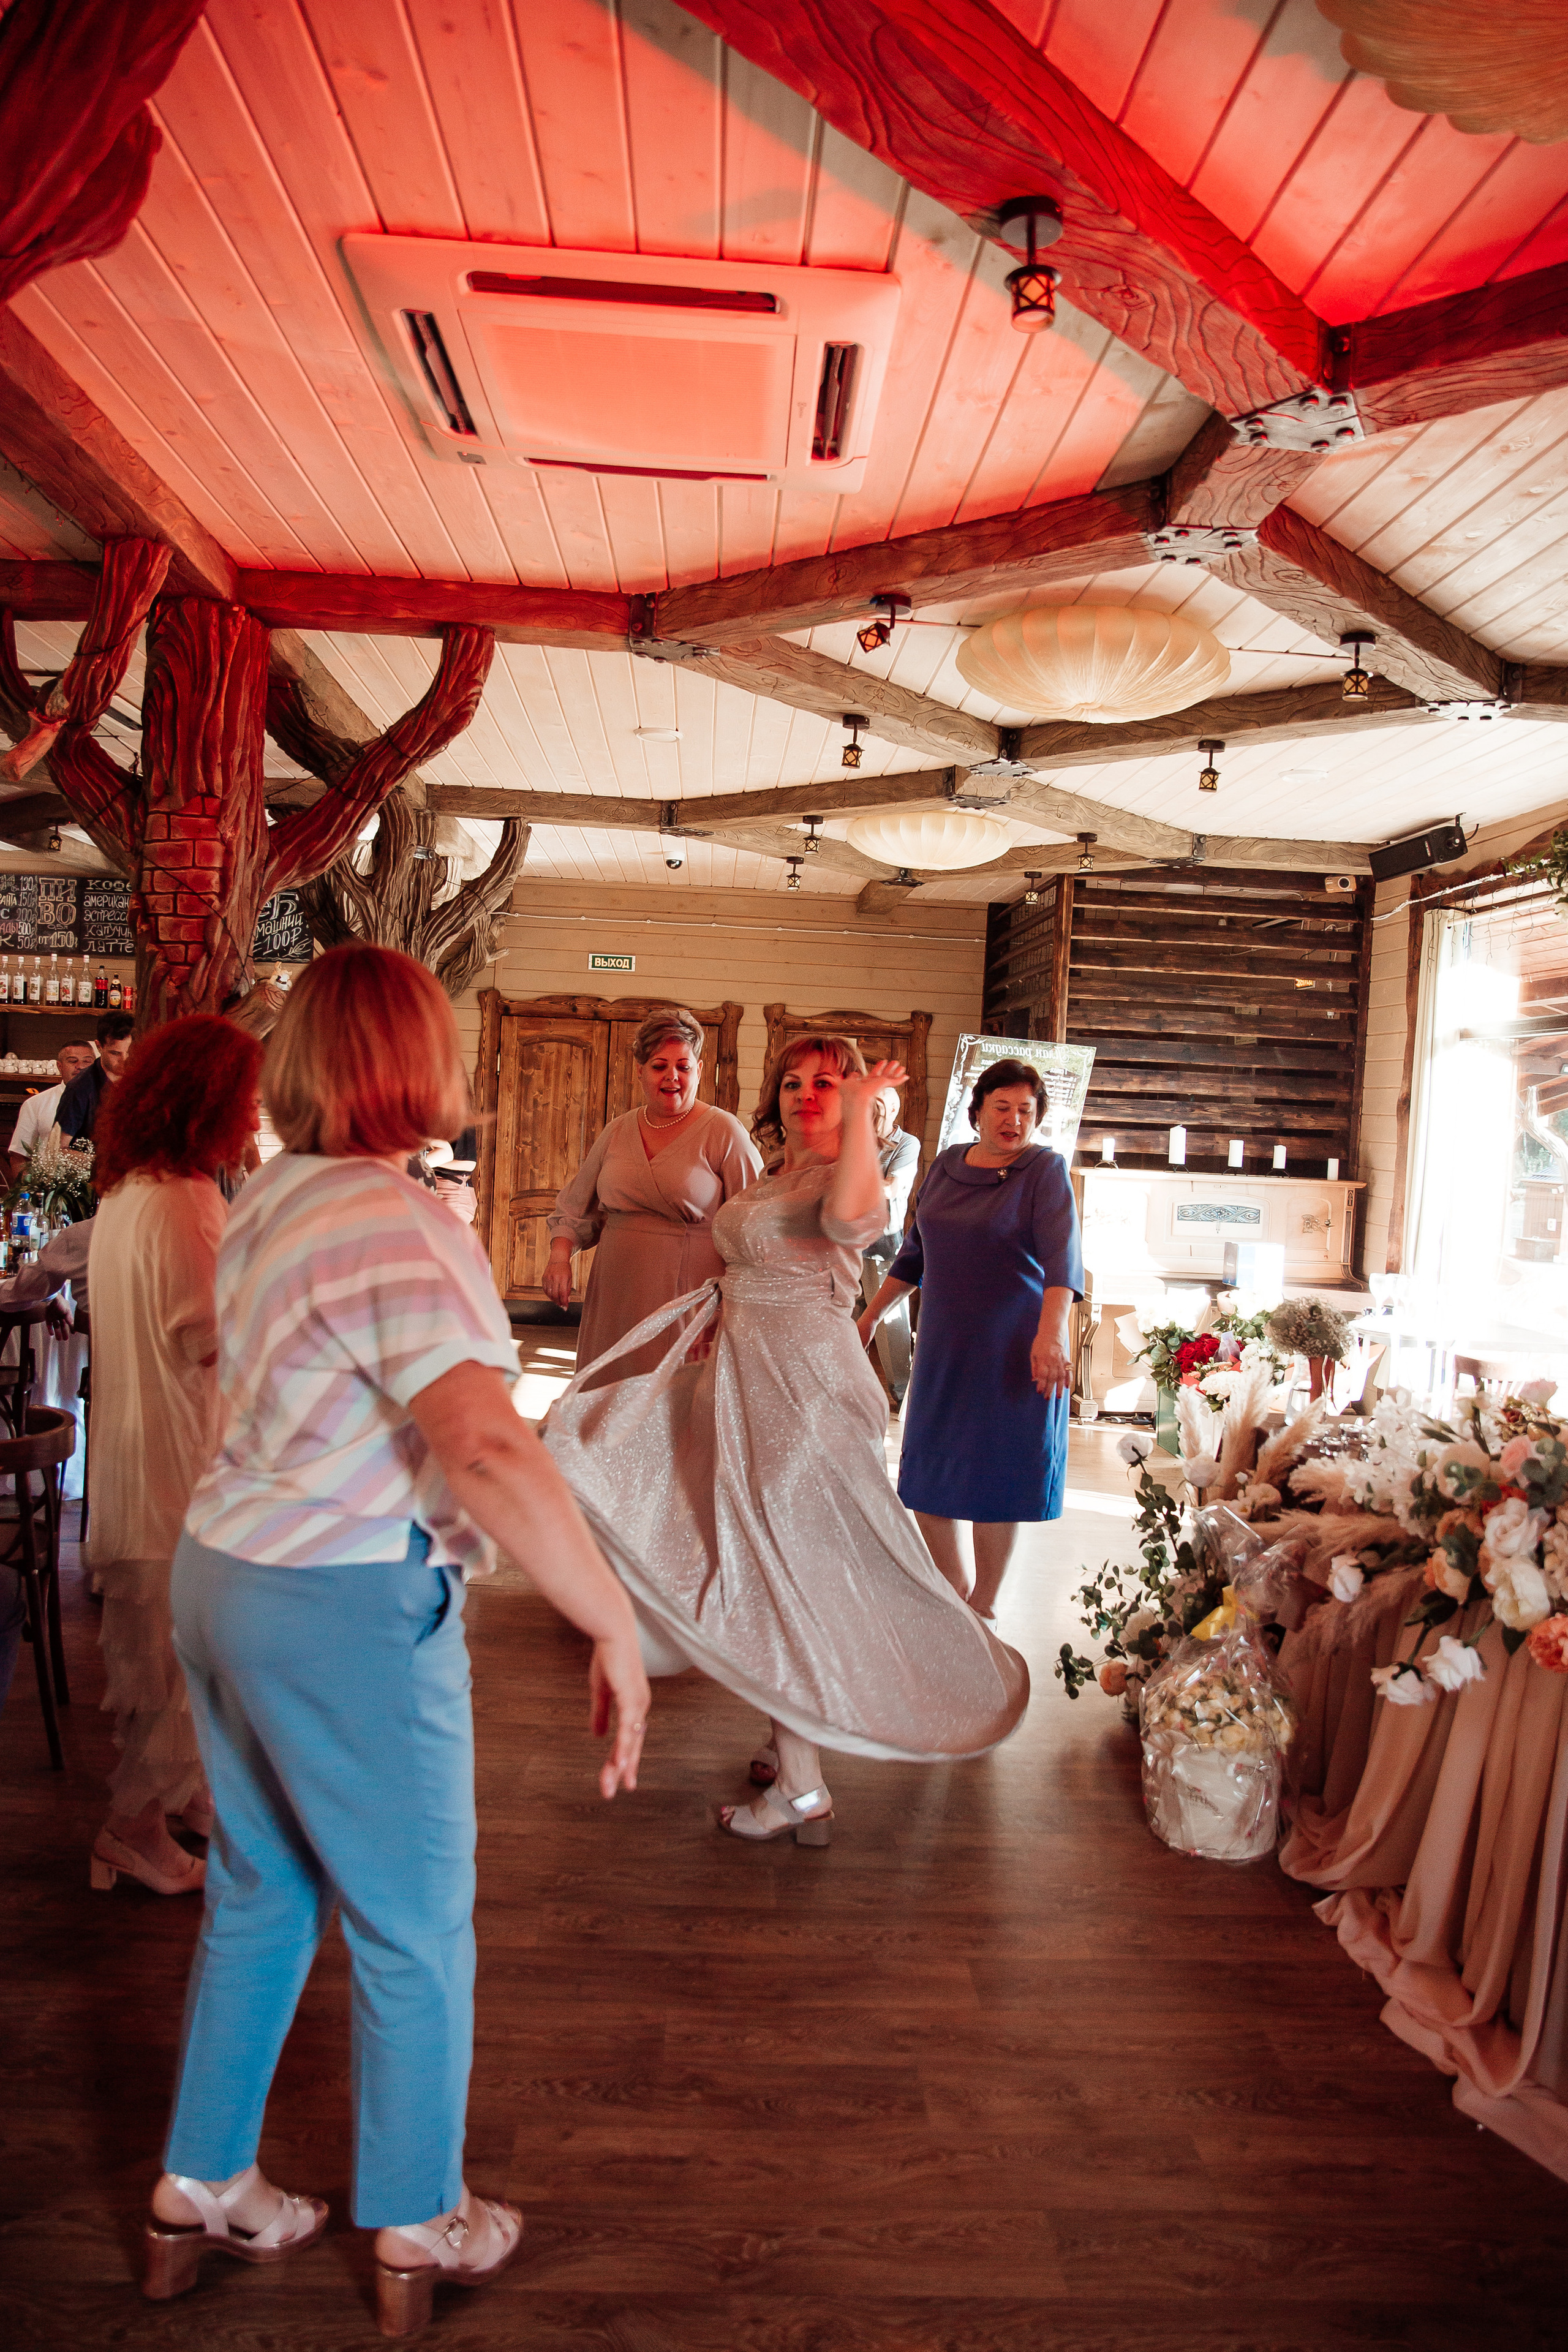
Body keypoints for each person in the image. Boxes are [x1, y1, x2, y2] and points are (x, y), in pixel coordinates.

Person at [146, 944, 649, 2336]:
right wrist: (608, 1615)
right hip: (343, 1597)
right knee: (414, 1922)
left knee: (259, 1891)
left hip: (226, 1573)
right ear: (405, 1065)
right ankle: (417, 2216)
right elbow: (483, 1442)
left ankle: (199, 2180)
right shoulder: (397, 1216)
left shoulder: (265, 1200)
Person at [541, 1033, 1029, 1847]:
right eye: (795, 1082)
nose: (807, 1095)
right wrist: (724, 1314)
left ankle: (804, 1789)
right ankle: (788, 1734)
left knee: (782, 1564)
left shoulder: (853, 1165)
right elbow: (753, 1257)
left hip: (807, 1389)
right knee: (764, 1550)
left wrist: (865, 1115)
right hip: (746, 1371)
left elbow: (852, 1223)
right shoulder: (785, 1165)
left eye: (827, 1083)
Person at [86, 1019, 263, 1902]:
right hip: (176, 1468)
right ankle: (132, 1834)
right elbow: (212, 1339)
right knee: (171, 1661)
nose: (256, 1110)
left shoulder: (125, 1195)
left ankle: (191, 1795)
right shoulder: (187, 1204)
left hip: (129, 1455)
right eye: (247, 1097)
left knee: (171, 1653)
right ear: (211, 1102)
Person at [859, 1057, 1082, 1626]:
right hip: (945, 1345)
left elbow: (1063, 1262)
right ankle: (953, 1589)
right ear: (977, 1111)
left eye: (1026, 1111)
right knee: (930, 1473)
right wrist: (869, 1317)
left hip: (1013, 1348)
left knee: (997, 1475)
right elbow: (915, 1253)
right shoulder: (947, 1166)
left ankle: (984, 1603)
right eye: (1002, 1108)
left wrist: (1050, 1337)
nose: (1013, 1120)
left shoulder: (1045, 1171)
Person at [543, 1006, 761, 1374]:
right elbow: (577, 1207)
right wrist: (559, 1256)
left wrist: (736, 1305)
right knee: (610, 1394)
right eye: (660, 1066)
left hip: (690, 1298)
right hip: (615, 1292)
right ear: (641, 1071)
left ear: (700, 1070)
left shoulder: (724, 1131)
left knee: (674, 1401)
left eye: (683, 1066)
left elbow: (754, 1223)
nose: (672, 1076)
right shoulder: (618, 1130)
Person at [859, 1084, 922, 1409]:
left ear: (895, 1110)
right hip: (843, 1245)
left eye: (880, 1104)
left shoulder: (907, 1144)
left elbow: (891, 1188)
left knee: (889, 1321)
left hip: (883, 1244)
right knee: (842, 1317)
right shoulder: (853, 1138)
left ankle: (903, 1395)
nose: (873, 1110)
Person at [7, 1038, 95, 1176]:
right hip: (50, 1188)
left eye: (87, 1061)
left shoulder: (108, 1102)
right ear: (60, 1066)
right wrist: (26, 1191)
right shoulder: (36, 1103)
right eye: (73, 1061)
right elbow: (19, 1155)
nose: (80, 1066)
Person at [51, 1011, 134, 1148]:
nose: (124, 1060)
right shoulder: (79, 1088)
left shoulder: (140, 1081)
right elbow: (58, 1149)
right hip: (90, 1167)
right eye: (115, 1053)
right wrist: (99, 1163)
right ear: (99, 1046)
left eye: (129, 1052)